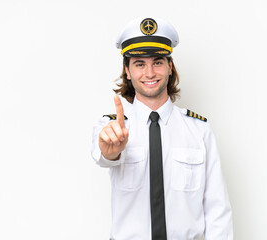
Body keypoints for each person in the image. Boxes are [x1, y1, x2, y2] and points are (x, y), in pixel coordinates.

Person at [91, 17, 233, 240]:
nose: (149, 73)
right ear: (127, 71)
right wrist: (110, 151)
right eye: (139, 64)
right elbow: (103, 155)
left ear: (170, 67)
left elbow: (217, 210)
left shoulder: (200, 130)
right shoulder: (112, 127)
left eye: (157, 62)